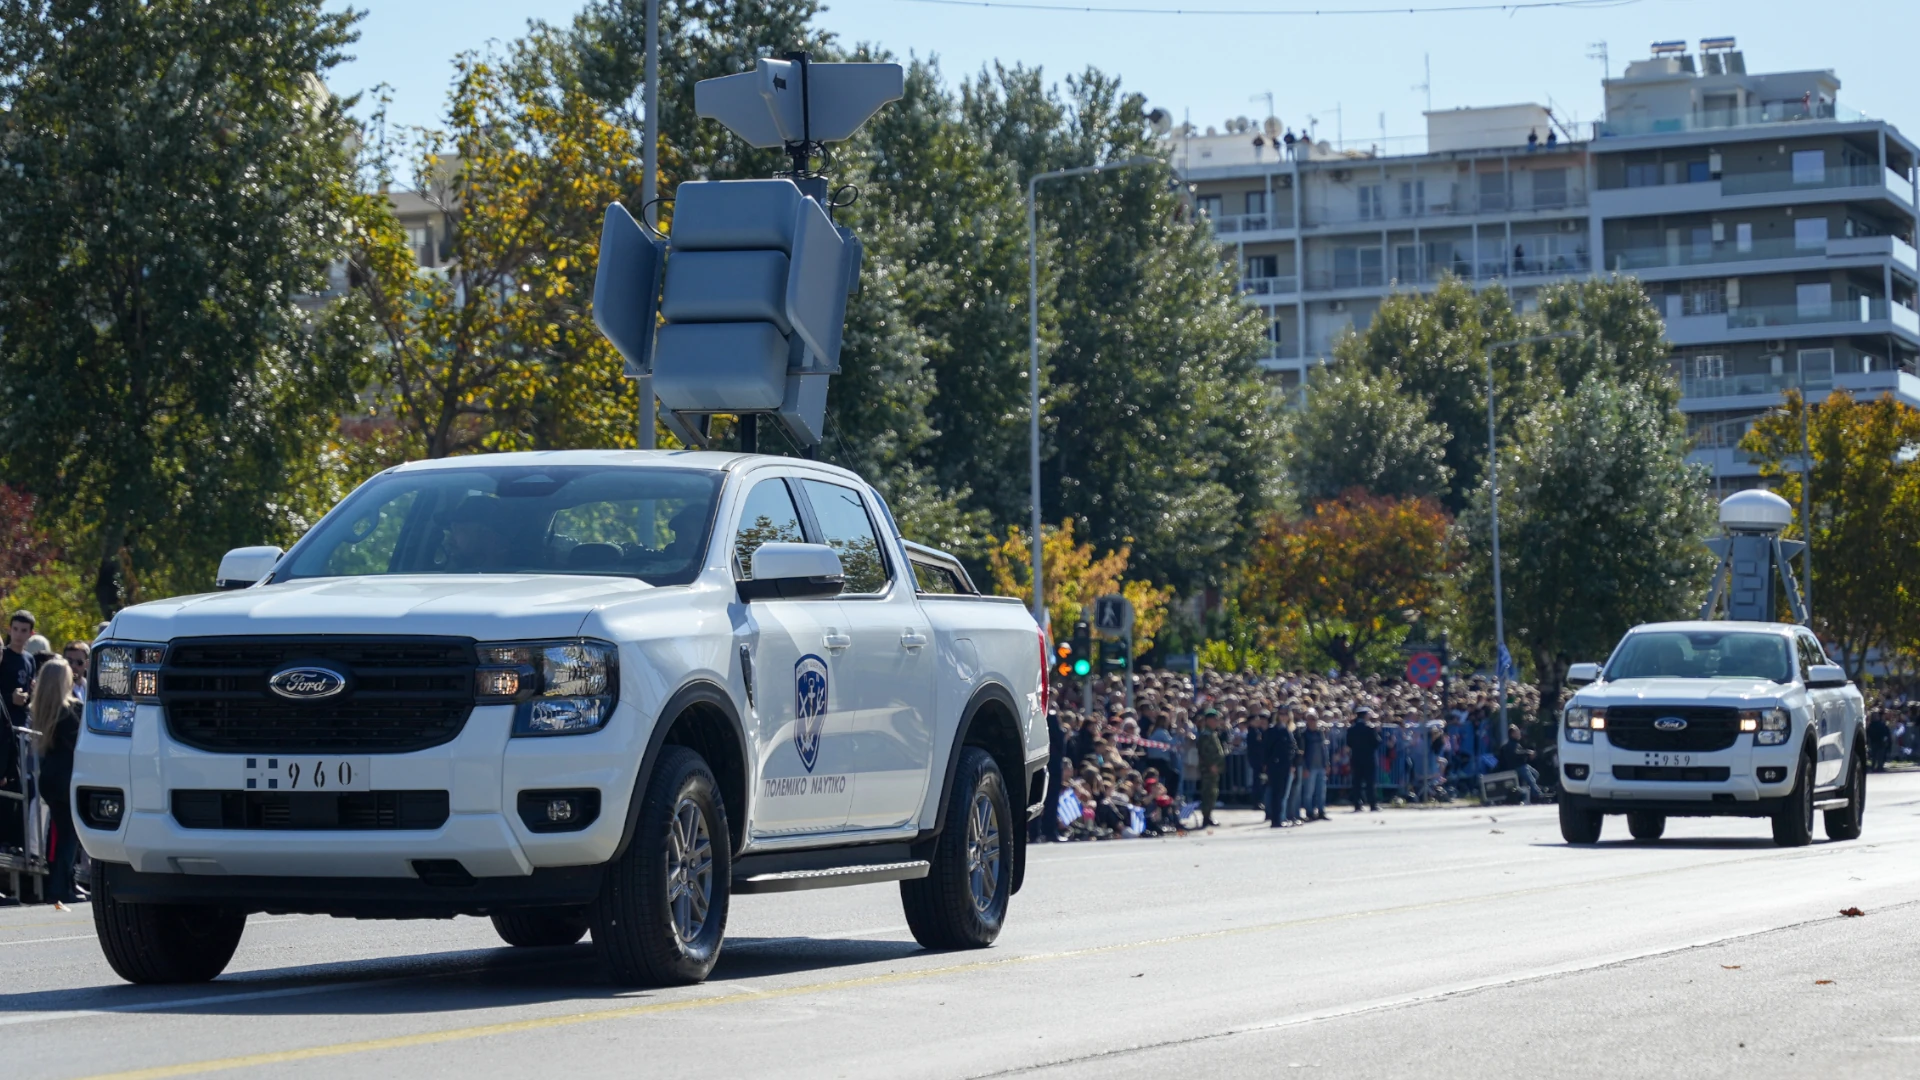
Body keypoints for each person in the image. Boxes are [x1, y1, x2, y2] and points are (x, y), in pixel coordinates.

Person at [30, 658, 83, 909]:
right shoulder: (72, 710)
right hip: (68, 777)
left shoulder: (43, 708)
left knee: (62, 833)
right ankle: (63, 886)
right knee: (70, 835)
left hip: (50, 776)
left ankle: (64, 884)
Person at [1496, 724, 1544, 803]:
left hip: (1521, 765)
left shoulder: (1516, 744)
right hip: (1516, 768)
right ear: (1512, 734)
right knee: (1530, 779)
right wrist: (1528, 753)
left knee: (1536, 774)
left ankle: (1530, 791)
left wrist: (1528, 756)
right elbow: (1516, 754)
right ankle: (1537, 794)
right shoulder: (1510, 745)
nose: (1519, 733)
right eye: (1517, 732)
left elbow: (1520, 754)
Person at [1347, 706, 1381, 812]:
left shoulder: (1352, 729)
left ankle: (1357, 804)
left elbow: (1349, 743)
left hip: (1356, 757)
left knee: (1357, 782)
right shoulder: (1370, 728)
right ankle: (1372, 804)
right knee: (1370, 782)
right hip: (1369, 758)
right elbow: (1376, 743)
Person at [1265, 707, 1295, 828]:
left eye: (1285, 714)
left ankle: (1280, 818)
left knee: (1282, 794)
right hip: (1276, 766)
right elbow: (1267, 749)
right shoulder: (1273, 730)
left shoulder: (1287, 730)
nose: (1283, 716)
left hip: (1285, 765)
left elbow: (1291, 748)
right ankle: (1276, 820)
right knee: (1276, 794)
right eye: (1281, 714)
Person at [1196, 709, 1225, 828]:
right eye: (1214, 719)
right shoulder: (1206, 735)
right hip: (1208, 769)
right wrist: (1211, 765)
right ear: (1208, 720)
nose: (1216, 722)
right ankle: (1206, 816)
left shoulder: (1212, 733)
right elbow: (1204, 752)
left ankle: (1208, 815)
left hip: (1214, 768)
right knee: (1208, 793)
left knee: (1213, 793)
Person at [1298, 710, 1328, 821]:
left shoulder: (1320, 733)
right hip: (1310, 767)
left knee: (1321, 791)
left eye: (1315, 719)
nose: (1313, 722)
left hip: (1321, 766)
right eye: (1310, 719)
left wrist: (1327, 763)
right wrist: (1305, 768)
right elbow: (1302, 752)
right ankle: (1309, 812)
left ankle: (1321, 811)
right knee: (1308, 792)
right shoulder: (1304, 734)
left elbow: (1324, 749)